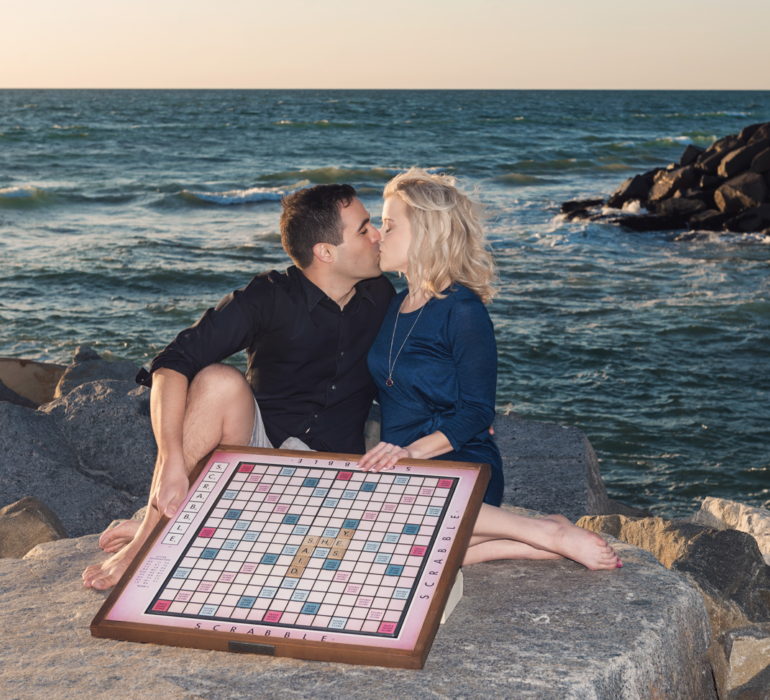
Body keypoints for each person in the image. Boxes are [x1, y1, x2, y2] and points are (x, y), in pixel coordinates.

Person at [83, 184, 396, 590]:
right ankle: (148, 538)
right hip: (258, 458)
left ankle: (168, 513)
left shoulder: (382, 296)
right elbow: (171, 364)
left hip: (334, 474)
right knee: (217, 381)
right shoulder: (267, 297)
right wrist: (172, 460)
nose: (378, 236)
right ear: (325, 252)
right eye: (365, 229)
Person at [356, 169, 620, 570]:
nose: (377, 235)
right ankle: (534, 540)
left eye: (390, 226)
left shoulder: (462, 309)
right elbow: (396, 382)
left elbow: (479, 412)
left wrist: (411, 452)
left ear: (427, 233)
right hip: (407, 470)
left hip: (457, 460)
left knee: (400, 537)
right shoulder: (393, 305)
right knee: (398, 553)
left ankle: (545, 533)